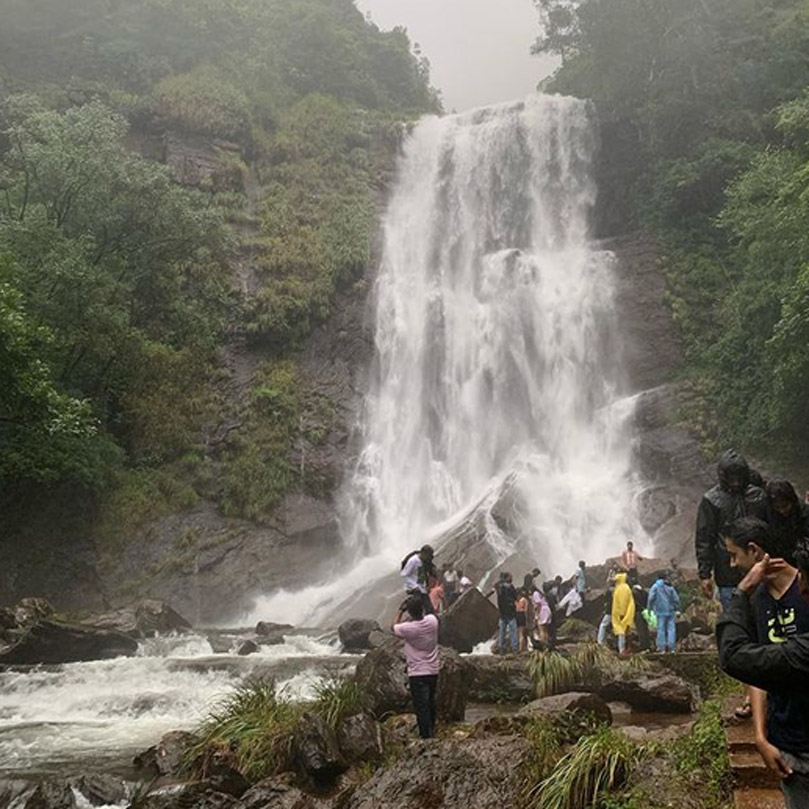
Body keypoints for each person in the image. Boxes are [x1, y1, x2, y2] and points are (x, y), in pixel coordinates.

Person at [718, 526, 809, 808]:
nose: (732, 563)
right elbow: (759, 669)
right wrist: (760, 736)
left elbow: (736, 656)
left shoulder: (802, 590)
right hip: (790, 743)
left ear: (754, 550)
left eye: (734, 555)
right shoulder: (758, 600)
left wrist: (740, 591)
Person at [695, 449, 767, 610]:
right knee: (735, 616)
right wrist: (705, 574)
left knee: (762, 615)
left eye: (738, 477)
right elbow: (704, 538)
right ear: (723, 476)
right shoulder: (712, 500)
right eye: (731, 477)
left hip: (760, 568)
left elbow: (770, 532)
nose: (735, 482)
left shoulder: (758, 496)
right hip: (727, 572)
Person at [392, 593, 440, 739]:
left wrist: (400, 611)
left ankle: (426, 737)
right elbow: (431, 612)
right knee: (431, 703)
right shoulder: (432, 621)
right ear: (422, 609)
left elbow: (393, 627)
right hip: (433, 670)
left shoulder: (408, 628)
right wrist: (424, 597)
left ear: (410, 612)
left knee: (421, 707)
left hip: (417, 673)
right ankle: (432, 731)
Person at [766, 479, 809, 563]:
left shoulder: (805, 513)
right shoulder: (771, 515)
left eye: (785, 506)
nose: (782, 511)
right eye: (777, 507)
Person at [647, 573, 682, 653]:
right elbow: (676, 599)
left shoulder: (655, 586)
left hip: (660, 611)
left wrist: (649, 608)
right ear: (665, 578)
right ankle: (672, 648)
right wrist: (678, 609)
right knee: (671, 629)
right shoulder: (670, 586)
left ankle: (662, 648)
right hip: (670, 611)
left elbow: (651, 598)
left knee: (661, 629)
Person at [486, 572, 519, 655]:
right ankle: (515, 650)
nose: (512, 579)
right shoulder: (510, 586)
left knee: (502, 632)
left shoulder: (498, 587)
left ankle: (501, 649)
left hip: (502, 612)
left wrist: (484, 597)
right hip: (511, 612)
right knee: (513, 631)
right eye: (510, 577)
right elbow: (516, 598)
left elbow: (491, 592)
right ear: (507, 578)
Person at [400, 545, 436, 615]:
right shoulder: (413, 560)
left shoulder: (421, 561)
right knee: (418, 607)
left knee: (429, 608)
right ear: (423, 553)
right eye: (428, 556)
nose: (429, 558)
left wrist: (425, 586)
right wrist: (414, 586)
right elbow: (404, 574)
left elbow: (420, 576)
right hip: (414, 589)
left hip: (421, 588)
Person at [611, 572, 635, 655]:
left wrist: (620, 613)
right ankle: (628, 648)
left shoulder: (618, 589)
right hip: (628, 613)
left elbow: (619, 602)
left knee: (621, 631)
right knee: (627, 631)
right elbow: (629, 601)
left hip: (620, 613)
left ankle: (622, 650)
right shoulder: (627, 588)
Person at [515, 588, 530, 652]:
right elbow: (526, 610)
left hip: (516, 615)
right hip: (522, 615)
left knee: (518, 633)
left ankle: (521, 648)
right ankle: (521, 649)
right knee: (523, 633)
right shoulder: (524, 600)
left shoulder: (515, 601)